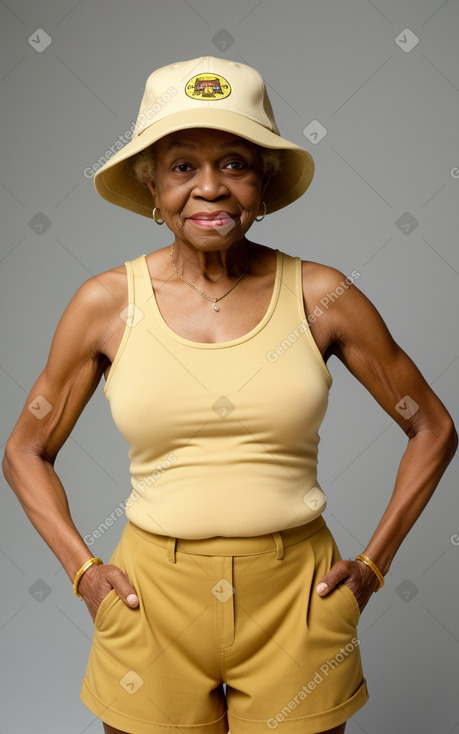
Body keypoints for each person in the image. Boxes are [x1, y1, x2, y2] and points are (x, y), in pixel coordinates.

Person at [2, 56, 456, 734]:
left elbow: (433, 428)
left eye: (235, 164)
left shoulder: (320, 296)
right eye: (183, 166)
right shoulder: (105, 304)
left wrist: (370, 569)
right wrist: (85, 574)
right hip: (150, 601)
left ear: (263, 184)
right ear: (150, 186)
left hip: (296, 599)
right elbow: (24, 450)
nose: (209, 188)